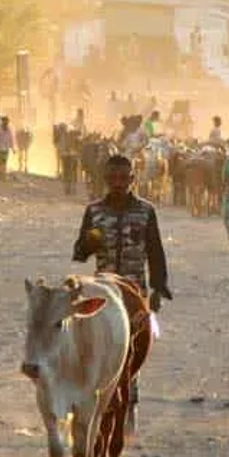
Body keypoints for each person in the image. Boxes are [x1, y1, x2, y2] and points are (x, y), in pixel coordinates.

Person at [72, 154, 173, 432]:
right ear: (105, 180)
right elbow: (80, 253)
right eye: (112, 178)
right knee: (99, 349)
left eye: (123, 178)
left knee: (132, 351)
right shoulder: (95, 212)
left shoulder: (145, 211)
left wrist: (158, 288)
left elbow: (155, 250)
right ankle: (97, 406)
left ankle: (129, 406)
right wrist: (92, 240)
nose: (117, 184)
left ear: (132, 179)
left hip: (134, 293)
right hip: (103, 293)